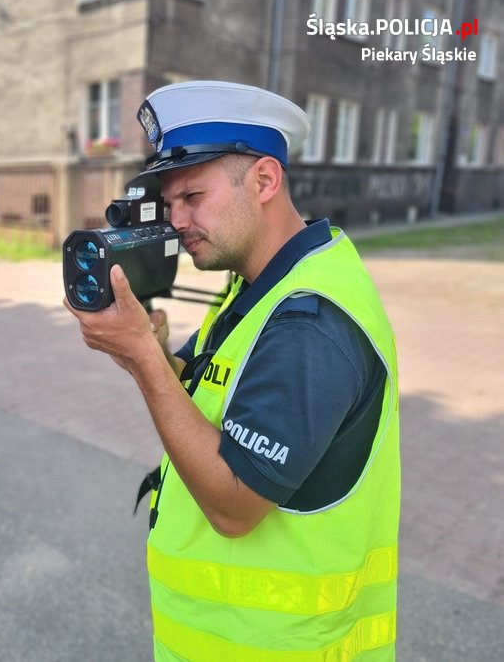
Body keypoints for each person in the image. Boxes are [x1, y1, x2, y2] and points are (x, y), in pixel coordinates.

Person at [64, 80, 400, 660]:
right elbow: (216, 394)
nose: (176, 221)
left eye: (193, 197)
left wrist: (147, 364)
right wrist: (147, 350)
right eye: (169, 204)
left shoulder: (308, 322)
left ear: (265, 181)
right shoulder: (260, 283)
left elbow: (234, 503)